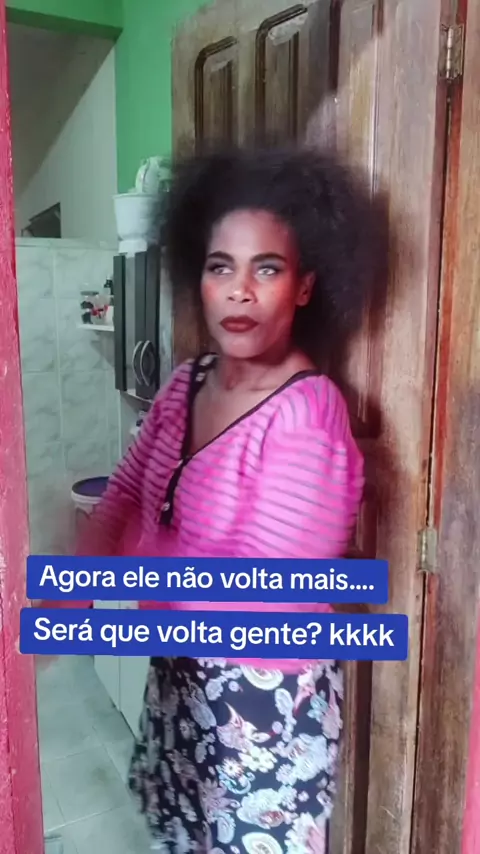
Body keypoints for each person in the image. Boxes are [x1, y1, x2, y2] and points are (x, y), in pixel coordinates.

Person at [76, 147, 387, 853]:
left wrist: (128, 569)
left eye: (266, 269)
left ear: (304, 287)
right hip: (181, 689)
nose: (240, 291)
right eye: (222, 267)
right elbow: (125, 492)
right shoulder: (184, 385)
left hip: (260, 719)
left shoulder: (308, 417)